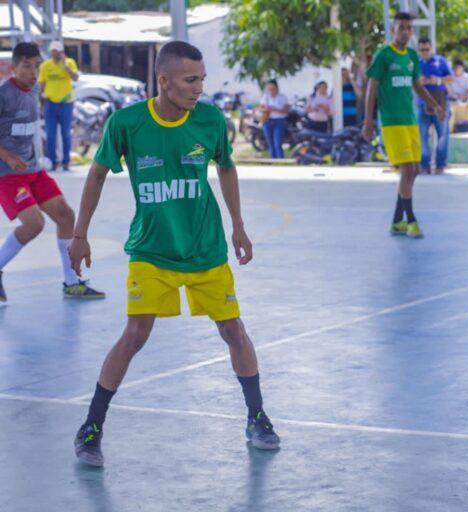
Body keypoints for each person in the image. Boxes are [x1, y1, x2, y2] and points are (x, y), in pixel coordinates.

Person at [69, 41, 280, 467]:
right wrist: (80, 233)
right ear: (163, 81)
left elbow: (226, 167)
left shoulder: (210, 120)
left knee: (234, 331)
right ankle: (91, 426)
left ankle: (257, 416)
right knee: (134, 337)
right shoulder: (127, 124)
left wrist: (238, 225)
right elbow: (94, 176)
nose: (199, 88)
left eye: (201, 78)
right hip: (151, 250)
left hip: (205, 248)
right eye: (190, 80)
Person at [0, 42, 104, 303]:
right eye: (26, 66)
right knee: (35, 224)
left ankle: (72, 283)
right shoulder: (3, 94)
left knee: (66, 216)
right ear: (13, 68)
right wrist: (9, 157)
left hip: (33, 171)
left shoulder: (35, 89)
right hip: (7, 174)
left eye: (36, 66)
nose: (33, 72)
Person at [362, 12, 445, 239]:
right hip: (391, 122)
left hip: (410, 120)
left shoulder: (411, 56)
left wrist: (435, 106)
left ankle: (397, 221)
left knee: (415, 170)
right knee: (407, 169)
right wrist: (368, 120)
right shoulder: (383, 55)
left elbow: (418, 86)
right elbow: (372, 88)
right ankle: (411, 221)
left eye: (409, 28)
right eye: (402, 28)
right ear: (393, 30)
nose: (406, 32)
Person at [39, 41, 79, 172]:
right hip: (50, 103)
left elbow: (75, 77)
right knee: (50, 134)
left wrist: (65, 66)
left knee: (66, 134)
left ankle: (66, 162)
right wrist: (41, 100)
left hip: (66, 103)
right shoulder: (45, 66)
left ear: (62, 52)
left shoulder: (70, 62)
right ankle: (52, 162)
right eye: (53, 51)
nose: (55, 53)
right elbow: (42, 83)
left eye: (57, 51)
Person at [416, 37, 453, 175]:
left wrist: (437, 80)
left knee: (443, 134)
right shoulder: (416, 64)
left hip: (440, 103)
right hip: (422, 103)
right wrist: (420, 82)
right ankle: (424, 164)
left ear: (431, 48)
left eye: (427, 49)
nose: (425, 52)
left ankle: (440, 164)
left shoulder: (440, 61)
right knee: (422, 136)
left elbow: (451, 78)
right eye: (422, 50)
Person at [259, 80, 290, 158]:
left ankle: (280, 162)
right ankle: (273, 161)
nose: (271, 90)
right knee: (270, 144)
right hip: (267, 121)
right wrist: (266, 109)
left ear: (277, 88)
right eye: (269, 88)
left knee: (277, 143)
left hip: (279, 121)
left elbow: (286, 111)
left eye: (273, 88)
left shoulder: (282, 97)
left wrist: (274, 109)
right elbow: (261, 108)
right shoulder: (266, 97)